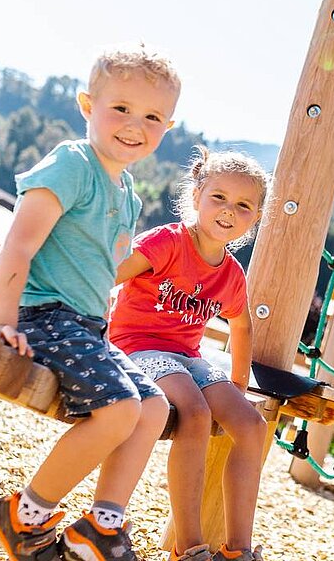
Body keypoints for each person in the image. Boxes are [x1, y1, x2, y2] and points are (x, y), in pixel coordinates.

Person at [0, 43, 182, 561]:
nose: (135, 124)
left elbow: (99, 270)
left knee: (154, 407)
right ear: (88, 106)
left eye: (153, 116)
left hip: (86, 328)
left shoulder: (128, 191)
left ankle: (101, 526)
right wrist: (0, 320)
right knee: (119, 410)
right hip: (42, 316)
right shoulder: (73, 163)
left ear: (168, 127)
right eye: (121, 108)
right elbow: (19, 243)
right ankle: (22, 516)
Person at [109, 148, 273, 561]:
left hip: (186, 356)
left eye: (242, 205)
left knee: (252, 426)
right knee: (196, 413)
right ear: (197, 194)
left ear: (254, 218)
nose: (228, 211)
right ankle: (189, 547)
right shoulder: (168, 242)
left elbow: (242, 324)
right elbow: (111, 274)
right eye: (218, 197)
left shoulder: (232, 273)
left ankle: (239, 550)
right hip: (137, 346)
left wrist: (237, 383)